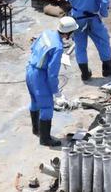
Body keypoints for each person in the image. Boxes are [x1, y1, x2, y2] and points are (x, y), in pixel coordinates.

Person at [26, 16, 78, 147]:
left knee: (34, 101)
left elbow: (33, 48)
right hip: (40, 76)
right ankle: (45, 139)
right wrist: (56, 92)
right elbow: (52, 73)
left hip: (30, 70)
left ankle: (36, 129)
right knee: (47, 107)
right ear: (67, 33)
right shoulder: (58, 48)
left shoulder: (46, 33)